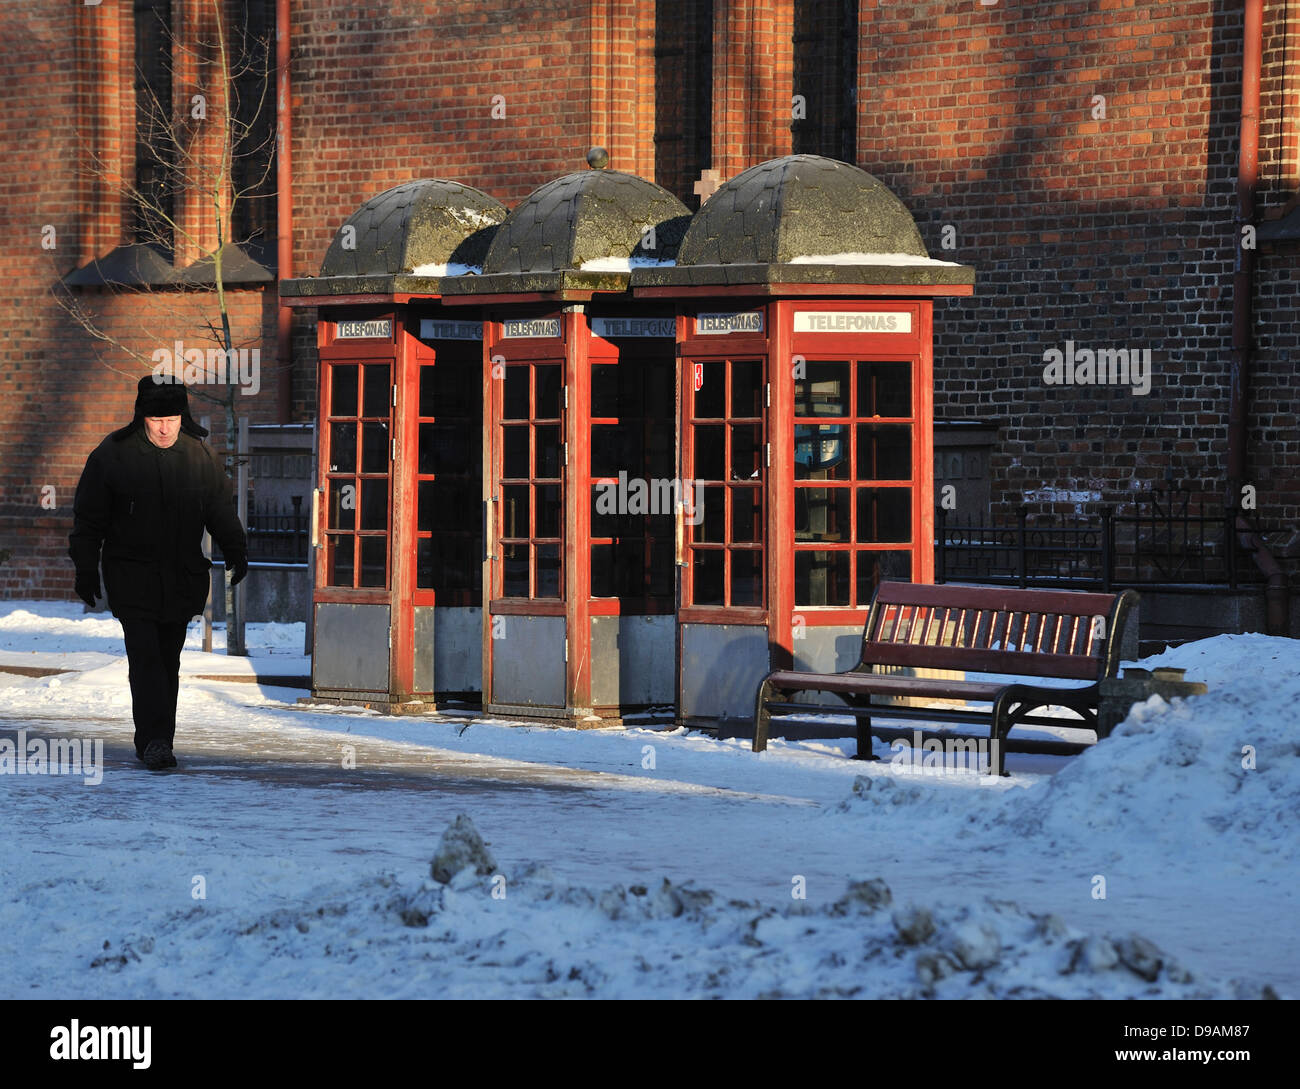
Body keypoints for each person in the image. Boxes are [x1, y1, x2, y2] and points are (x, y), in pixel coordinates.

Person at [68, 375, 248, 770]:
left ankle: (157, 739)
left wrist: (235, 548)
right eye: (156, 418)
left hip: (182, 577)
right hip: (131, 577)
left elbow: (218, 509)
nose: (165, 427)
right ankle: (153, 742)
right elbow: (89, 519)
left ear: (182, 416)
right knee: (145, 657)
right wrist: (85, 569)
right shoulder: (112, 456)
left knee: (169, 662)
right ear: (142, 417)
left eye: (172, 417)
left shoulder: (200, 457)